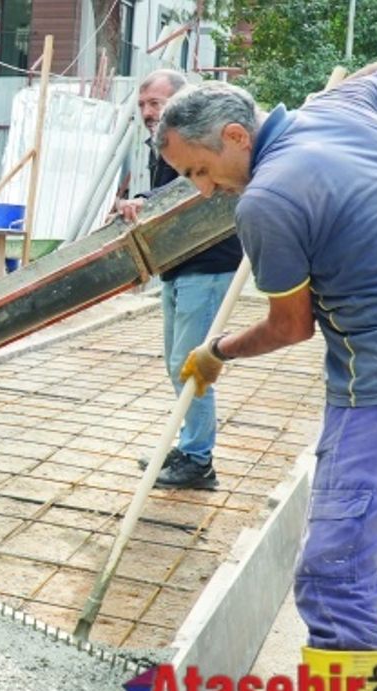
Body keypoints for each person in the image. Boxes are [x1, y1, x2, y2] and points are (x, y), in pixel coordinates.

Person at [160, 53, 377, 691]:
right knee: (360, 564)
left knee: (333, 578)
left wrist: (216, 351)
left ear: (236, 136)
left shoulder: (268, 199)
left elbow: (290, 325)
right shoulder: (346, 105)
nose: (204, 191)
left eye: (199, 170)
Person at [116, 68, 244, 491]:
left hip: (206, 266)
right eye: (142, 105)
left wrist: (143, 202)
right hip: (178, 266)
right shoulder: (163, 145)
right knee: (178, 365)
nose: (148, 112)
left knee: (190, 366)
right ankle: (190, 445)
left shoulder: (197, 139)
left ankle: (198, 460)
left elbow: (188, 194)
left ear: (180, 100)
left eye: (156, 103)